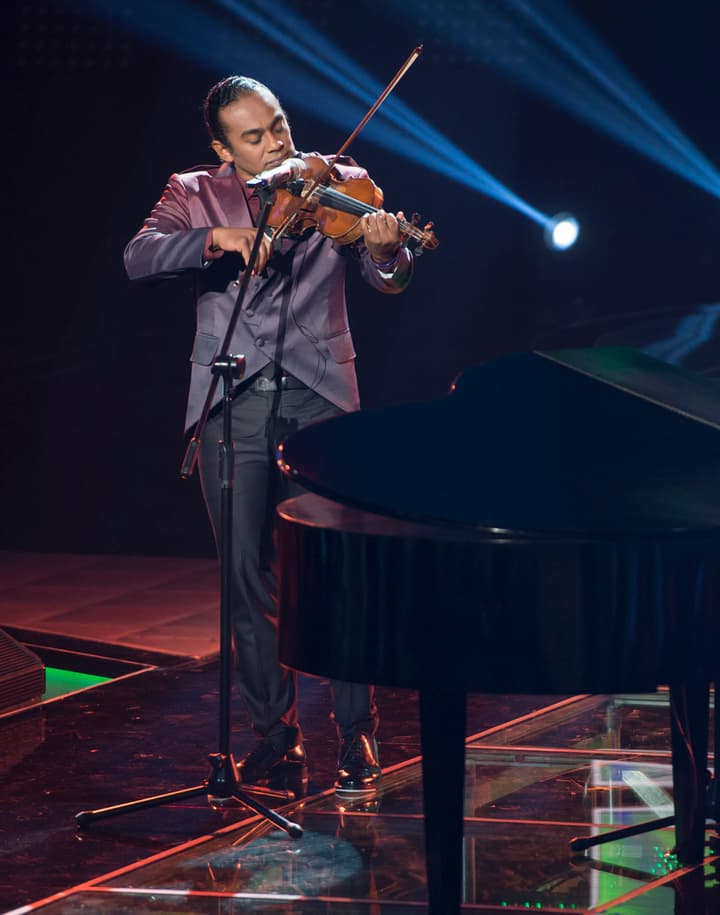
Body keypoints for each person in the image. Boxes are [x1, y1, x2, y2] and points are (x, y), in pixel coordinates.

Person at [123, 75, 415, 799]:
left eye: (278, 124)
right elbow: (139, 257)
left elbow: (390, 277)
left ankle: (358, 734)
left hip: (322, 400)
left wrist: (387, 248)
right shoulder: (193, 190)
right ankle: (274, 741)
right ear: (223, 148)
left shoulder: (341, 180)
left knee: (339, 569)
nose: (276, 142)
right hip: (234, 399)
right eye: (254, 136)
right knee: (245, 578)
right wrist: (218, 238)